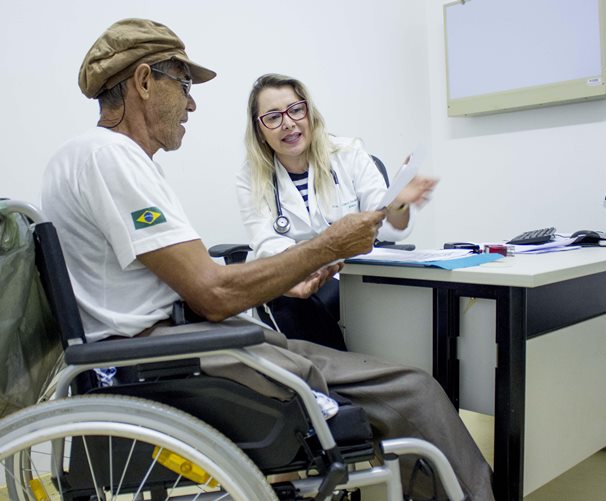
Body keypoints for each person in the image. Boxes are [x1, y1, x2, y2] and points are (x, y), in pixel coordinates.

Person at [40, 18, 494, 501]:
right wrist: (328, 246)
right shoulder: (110, 158)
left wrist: (305, 260)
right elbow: (212, 292)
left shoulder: (94, 157)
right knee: (415, 390)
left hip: (187, 340)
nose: (191, 102)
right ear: (145, 81)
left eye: (295, 111)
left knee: (401, 383)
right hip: (173, 355)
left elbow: (202, 282)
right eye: (185, 84)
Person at [237, 73, 437, 350]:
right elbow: (266, 241)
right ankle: (327, 384)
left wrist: (397, 203)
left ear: (309, 113)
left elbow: (388, 228)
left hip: (349, 275)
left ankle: (342, 379)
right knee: (289, 299)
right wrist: (306, 265)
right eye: (273, 117)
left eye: (296, 110)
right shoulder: (251, 176)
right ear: (259, 129)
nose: (288, 123)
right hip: (291, 278)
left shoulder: (349, 154)